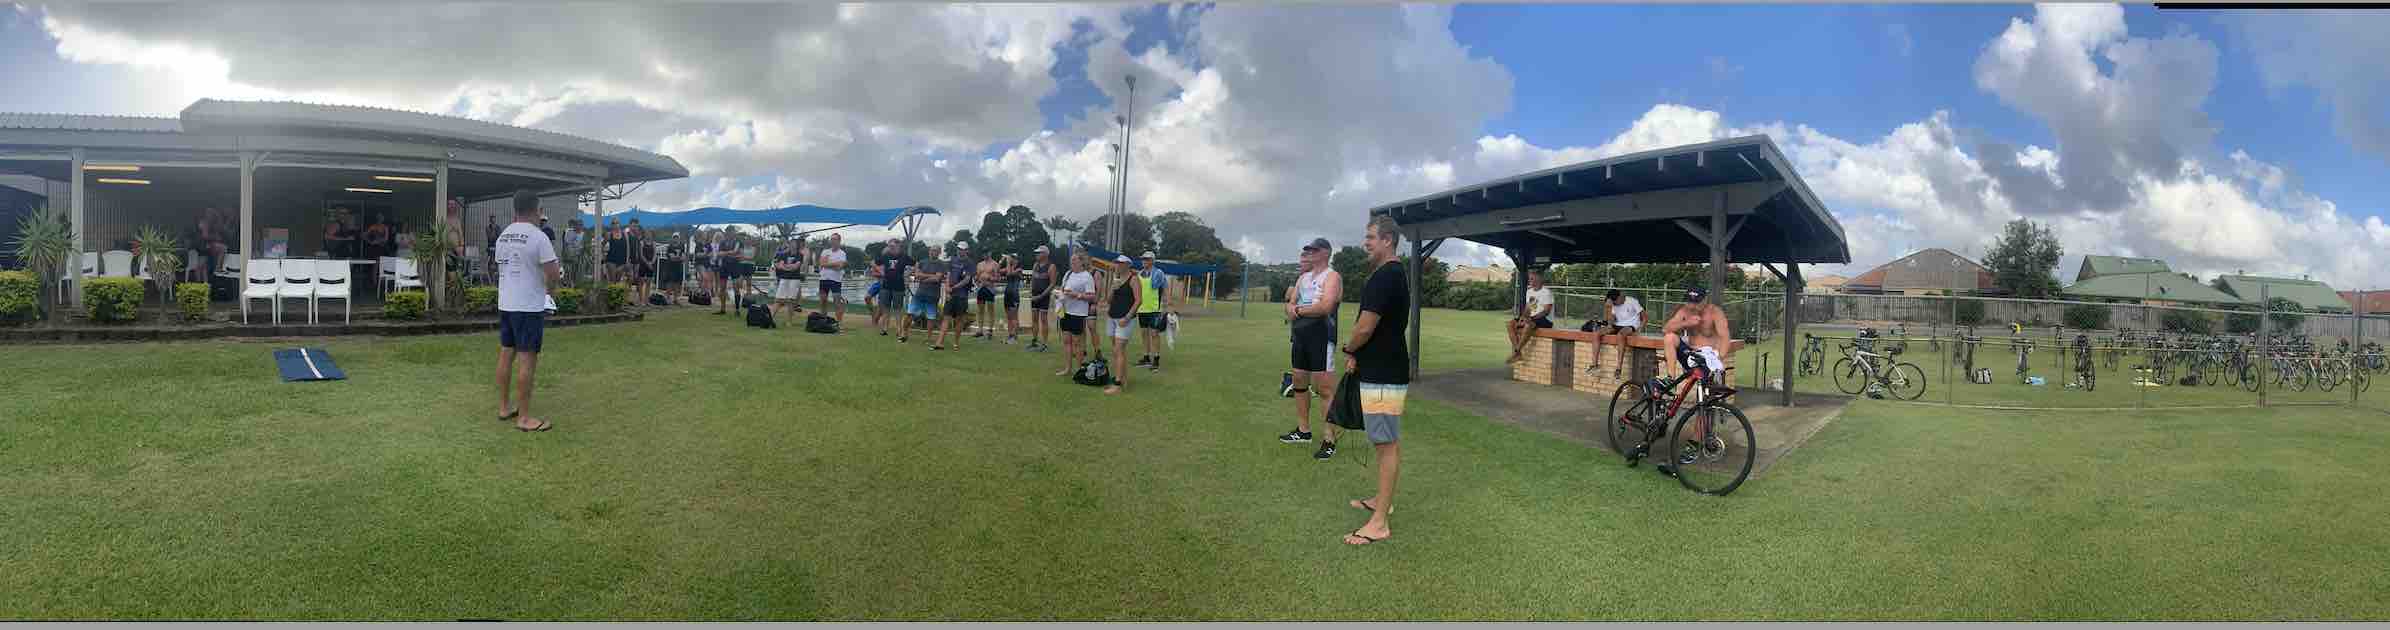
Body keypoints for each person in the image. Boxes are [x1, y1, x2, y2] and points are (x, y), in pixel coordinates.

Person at [1340, 214, 1410, 546]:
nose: (1365, 243)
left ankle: (1379, 522)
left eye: (1370, 237)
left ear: (1387, 240)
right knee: (1383, 440)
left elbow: (1365, 327)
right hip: (1381, 368)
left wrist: (1348, 348)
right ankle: (1382, 501)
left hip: (1384, 372)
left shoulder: (1385, 276)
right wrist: (1357, 355)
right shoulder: (1390, 274)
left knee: (1386, 443)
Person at [493, 189, 561, 433]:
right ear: (537, 209)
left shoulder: (503, 236)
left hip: (506, 304)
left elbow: (501, 267)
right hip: (528, 306)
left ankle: (504, 407)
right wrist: (550, 291)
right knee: (527, 359)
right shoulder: (538, 237)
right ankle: (523, 418)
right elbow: (553, 273)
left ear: (515, 209)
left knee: (506, 354)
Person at [1280, 237, 1344, 457]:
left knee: (1324, 388)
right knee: (1299, 381)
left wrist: (1297, 310)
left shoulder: (1332, 276)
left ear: (1325, 253)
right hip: (1300, 337)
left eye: (1314, 250)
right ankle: (1303, 430)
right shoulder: (1303, 278)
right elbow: (1290, 302)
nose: (1309, 253)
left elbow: (1325, 307)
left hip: (1322, 337)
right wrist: (1293, 308)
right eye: (1308, 250)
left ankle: (1329, 440)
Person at [1657, 284, 1732, 469]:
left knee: (1704, 403)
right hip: (1691, 356)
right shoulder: (1685, 311)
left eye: (1696, 302)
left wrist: (1718, 361)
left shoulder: (1715, 313)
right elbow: (1666, 328)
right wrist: (1685, 323)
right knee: (1670, 338)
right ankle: (1670, 378)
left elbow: (1725, 338)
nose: (1693, 306)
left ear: (1705, 299)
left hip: (1708, 360)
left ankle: (1694, 443)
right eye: (1690, 301)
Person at [1101, 254, 1143, 394]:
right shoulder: (1116, 279)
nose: (1117, 265)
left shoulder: (1134, 279)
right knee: (1117, 350)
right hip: (1112, 317)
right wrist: (1113, 288)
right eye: (1116, 263)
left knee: (1118, 349)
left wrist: (1127, 317)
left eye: (1120, 263)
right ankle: (1123, 379)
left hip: (1125, 319)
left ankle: (1117, 384)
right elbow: (1108, 300)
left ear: (1127, 265)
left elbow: (1138, 300)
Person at [1056, 250, 1096, 377]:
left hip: (1078, 313)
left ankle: (1079, 370)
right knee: (1066, 341)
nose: (1071, 262)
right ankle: (1068, 368)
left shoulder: (1087, 276)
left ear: (1081, 262)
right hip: (1065, 311)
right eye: (1071, 260)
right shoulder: (1068, 274)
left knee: (1077, 342)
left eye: (1074, 260)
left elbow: (1092, 296)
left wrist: (1076, 295)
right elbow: (1063, 289)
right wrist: (1059, 294)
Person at [1131, 252, 1171, 372]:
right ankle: (1146, 357)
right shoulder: (1139, 274)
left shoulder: (1159, 273)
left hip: (1154, 309)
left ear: (1152, 261)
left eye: (1147, 259)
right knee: (1144, 334)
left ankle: (1156, 359)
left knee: (1154, 334)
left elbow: (1165, 287)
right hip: (1142, 309)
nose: (1144, 261)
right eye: (1143, 259)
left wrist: (1167, 304)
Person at [1507, 270, 1555, 363]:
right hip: (1532, 318)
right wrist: (1522, 318)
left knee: (1528, 325)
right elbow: (1528, 308)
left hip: (1545, 320)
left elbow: (1546, 311)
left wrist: (1530, 319)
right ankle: (1518, 354)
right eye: (1529, 279)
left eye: (1531, 278)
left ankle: (1516, 352)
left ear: (1539, 278)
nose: (1529, 280)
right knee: (1510, 324)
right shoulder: (1529, 292)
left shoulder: (1547, 292)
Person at [936, 243, 978, 350]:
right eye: (959, 249)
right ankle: (939, 342)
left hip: (962, 295)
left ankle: (956, 343)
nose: (960, 251)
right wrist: (947, 288)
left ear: (967, 250)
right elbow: (948, 275)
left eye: (963, 249)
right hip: (951, 294)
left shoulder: (970, 263)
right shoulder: (952, 260)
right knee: (946, 318)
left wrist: (953, 288)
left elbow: (967, 280)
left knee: (959, 320)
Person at [905, 245, 947, 345]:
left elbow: (937, 278)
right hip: (920, 293)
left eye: (935, 251)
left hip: (933, 295)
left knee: (930, 317)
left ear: (939, 252)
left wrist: (924, 278)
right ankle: (904, 334)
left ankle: (928, 338)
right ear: (929, 251)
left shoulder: (941, 264)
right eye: (932, 250)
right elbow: (917, 275)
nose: (933, 252)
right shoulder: (922, 262)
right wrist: (931, 276)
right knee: (909, 313)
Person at [875, 238, 914, 337]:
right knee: (886, 308)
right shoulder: (885, 255)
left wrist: (908, 274)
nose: (890, 248)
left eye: (892, 246)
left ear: (898, 246)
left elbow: (915, 264)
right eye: (889, 246)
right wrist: (881, 271)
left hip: (899, 286)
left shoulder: (904, 256)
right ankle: (885, 328)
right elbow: (875, 263)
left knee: (897, 309)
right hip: (886, 285)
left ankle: (898, 329)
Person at [1027, 245, 1057, 352]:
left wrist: (1042, 295)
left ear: (1045, 254)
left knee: (1043, 319)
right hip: (1035, 295)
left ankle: (1044, 344)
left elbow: (1052, 283)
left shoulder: (1051, 266)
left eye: (1039, 253)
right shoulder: (1035, 265)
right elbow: (1032, 279)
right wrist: (1031, 292)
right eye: (1036, 253)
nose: (1037, 255)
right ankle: (1034, 341)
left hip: (1044, 296)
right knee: (1034, 319)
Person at [770, 240, 808, 324]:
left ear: (797, 245)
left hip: (794, 279)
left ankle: (789, 321)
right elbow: (779, 266)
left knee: (791, 301)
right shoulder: (784, 254)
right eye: (791, 244)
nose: (792, 245)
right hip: (784, 278)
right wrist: (788, 267)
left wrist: (785, 266)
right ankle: (770, 318)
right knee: (778, 299)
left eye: (794, 244)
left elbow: (796, 267)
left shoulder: (800, 255)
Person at [816, 233, 849, 325]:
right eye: (832, 239)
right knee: (823, 301)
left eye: (835, 239)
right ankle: (823, 321)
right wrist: (835, 263)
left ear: (839, 241)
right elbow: (821, 264)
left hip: (836, 280)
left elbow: (840, 267)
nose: (833, 241)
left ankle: (839, 323)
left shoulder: (842, 253)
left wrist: (827, 263)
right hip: (824, 279)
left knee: (837, 302)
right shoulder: (825, 251)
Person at [973, 251, 1000, 339]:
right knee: (980, 310)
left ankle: (990, 330)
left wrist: (989, 278)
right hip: (981, 288)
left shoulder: (995, 264)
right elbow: (976, 277)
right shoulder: (979, 264)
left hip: (990, 289)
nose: (984, 255)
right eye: (983, 253)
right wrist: (977, 279)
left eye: (986, 253)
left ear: (990, 253)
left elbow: (998, 278)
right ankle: (980, 330)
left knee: (990, 309)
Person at [999, 253, 1022, 344]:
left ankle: (1015, 337)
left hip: (1014, 295)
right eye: (1011, 258)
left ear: (1016, 260)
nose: (1011, 259)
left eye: (1013, 258)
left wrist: (1008, 262)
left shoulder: (1019, 269)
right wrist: (1001, 261)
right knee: (1008, 317)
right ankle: (1010, 335)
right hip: (1007, 294)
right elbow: (997, 270)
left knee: (1014, 317)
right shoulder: (1008, 267)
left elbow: (1009, 274)